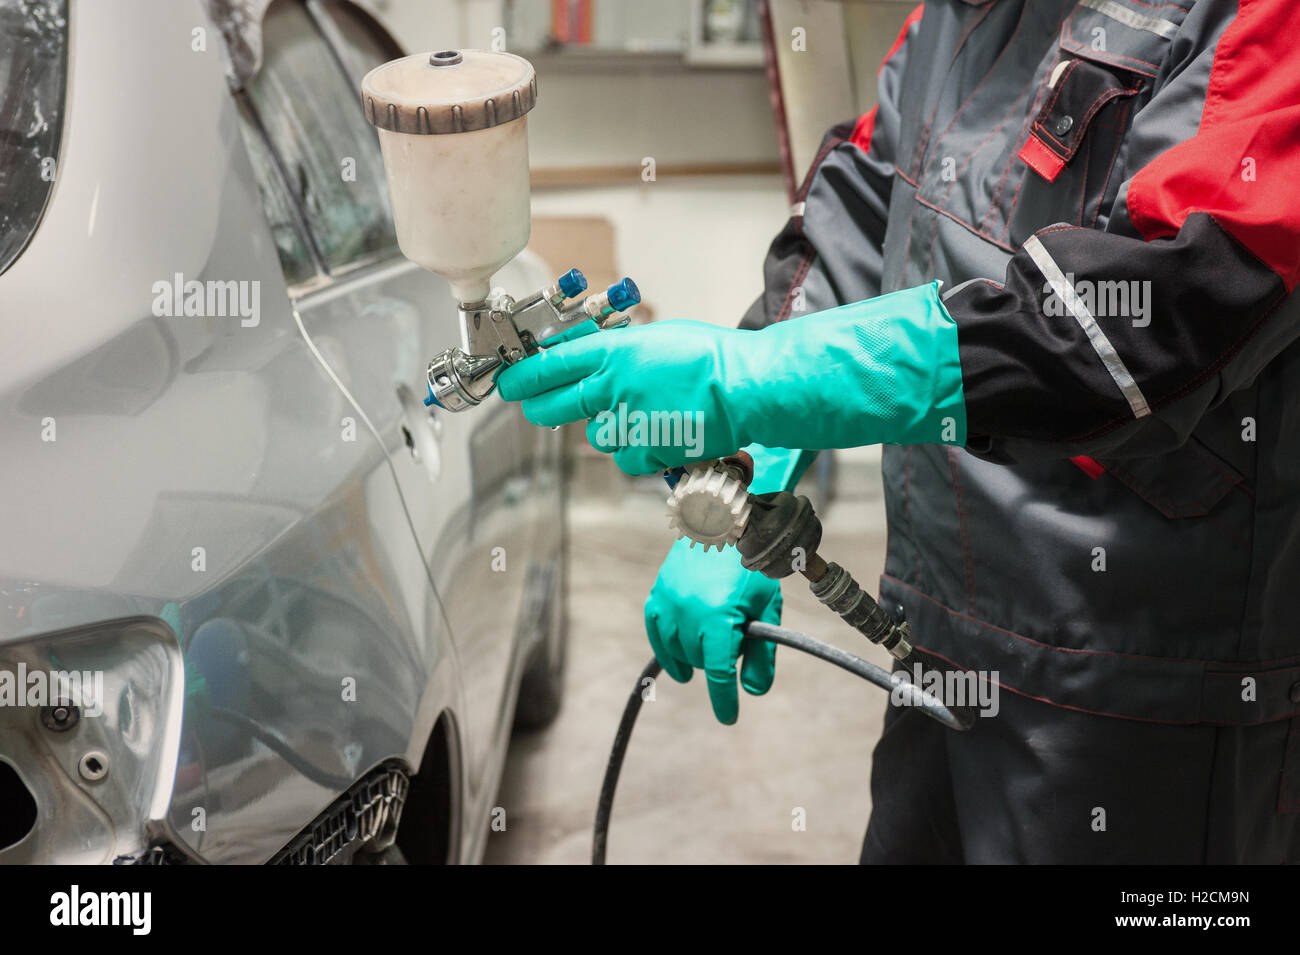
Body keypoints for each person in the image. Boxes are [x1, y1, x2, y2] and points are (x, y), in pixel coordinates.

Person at [497, 0, 1300, 863]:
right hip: (932, 631)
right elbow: (864, 200)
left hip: (1141, 695)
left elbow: (1144, 322)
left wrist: (750, 381)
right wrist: (751, 468)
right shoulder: (959, 15)